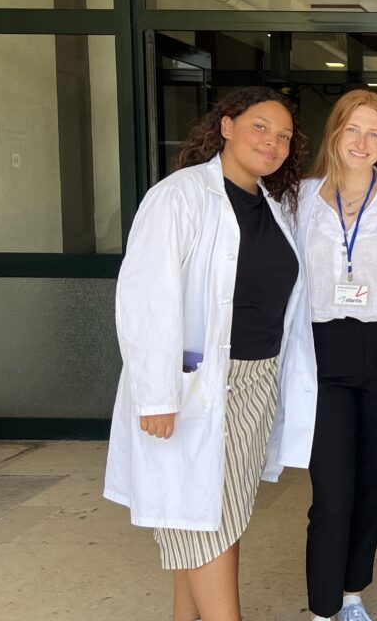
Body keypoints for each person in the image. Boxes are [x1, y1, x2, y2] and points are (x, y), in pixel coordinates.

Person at [104, 86, 308, 621]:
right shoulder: (180, 196)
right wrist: (156, 396)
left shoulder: (274, 208)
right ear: (226, 126)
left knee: (219, 516)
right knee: (199, 521)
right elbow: (145, 299)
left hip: (255, 383)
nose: (272, 142)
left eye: (284, 136)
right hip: (194, 385)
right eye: (260, 126)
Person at [269, 90, 377, 621]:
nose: (362, 142)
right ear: (334, 134)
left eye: (374, 133)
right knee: (332, 496)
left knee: (373, 488)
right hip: (323, 363)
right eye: (352, 129)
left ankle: (353, 593)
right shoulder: (299, 199)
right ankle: (322, 608)